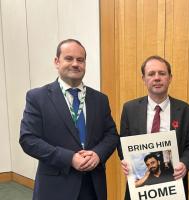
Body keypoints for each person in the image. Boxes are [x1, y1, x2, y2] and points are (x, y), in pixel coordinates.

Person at [19, 39, 119, 200]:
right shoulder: (38, 97)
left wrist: (98, 154)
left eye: (80, 60)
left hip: (93, 186)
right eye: (69, 58)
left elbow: (112, 134)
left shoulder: (100, 99)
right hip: (56, 187)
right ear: (57, 62)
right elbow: (28, 139)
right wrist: (69, 158)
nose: (75, 64)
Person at [118, 55, 189, 199]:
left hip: (173, 186)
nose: (157, 78)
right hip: (141, 189)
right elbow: (122, 141)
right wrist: (125, 160)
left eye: (162, 73)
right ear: (143, 79)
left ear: (170, 78)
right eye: (151, 74)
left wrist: (185, 164)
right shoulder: (130, 109)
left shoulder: (187, 111)